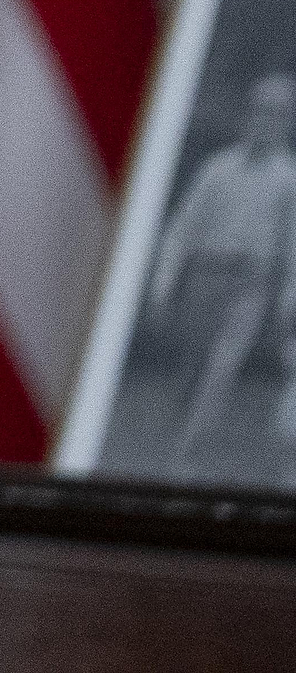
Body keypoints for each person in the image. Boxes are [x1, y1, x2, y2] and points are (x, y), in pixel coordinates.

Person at [151, 70, 296, 478]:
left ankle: (188, 451)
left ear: (288, 121)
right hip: (205, 276)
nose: (267, 120)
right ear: (249, 113)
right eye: (261, 110)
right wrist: (165, 282)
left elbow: (292, 245)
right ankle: (179, 430)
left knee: (222, 366)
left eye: (278, 113)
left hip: (251, 284)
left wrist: (287, 300)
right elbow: (183, 226)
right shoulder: (220, 168)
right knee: (194, 363)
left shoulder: (289, 178)